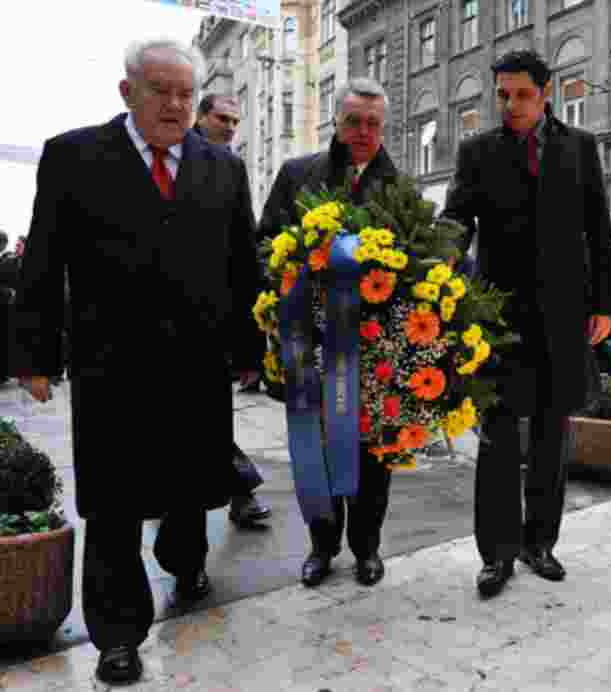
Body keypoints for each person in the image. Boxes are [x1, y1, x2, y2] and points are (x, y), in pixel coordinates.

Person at [12, 39, 264, 685]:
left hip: (197, 364)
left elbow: (242, 265)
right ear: (128, 92)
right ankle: (117, 635)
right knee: (114, 502)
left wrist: (249, 349)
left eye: (185, 92)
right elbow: (42, 262)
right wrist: (35, 355)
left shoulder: (222, 168)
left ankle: (183, 560)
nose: (175, 105)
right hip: (111, 366)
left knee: (191, 484)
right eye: (161, 90)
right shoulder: (73, 157)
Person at [442, 50, 611, 599]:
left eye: (521, 94)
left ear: (545, 94)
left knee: (549, 436)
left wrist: (605, 306)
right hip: (496, 319)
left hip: (563, 316)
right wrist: (438, 266)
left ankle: (540, 543)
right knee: (496, 438)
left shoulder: (581, 148)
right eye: (502, 94)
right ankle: (496, 555)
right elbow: (455, 219)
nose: (510, 104)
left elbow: (599, 232)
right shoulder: (477, 152)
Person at [259, 77, 398, 589]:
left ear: (383, 128)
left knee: (371, 456)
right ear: (335, 123)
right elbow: (264, 244)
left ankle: (367, 547)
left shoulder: (397, 185)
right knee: (313, 448)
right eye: (353, 121)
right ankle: (322, 545)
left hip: (375, 350)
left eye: (373, 123)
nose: (362, 132)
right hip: (309, 345)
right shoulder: (298, 175)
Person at [191, 92, 273, 529]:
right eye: (222, 118)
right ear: (201, 117)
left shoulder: (230, 169)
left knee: (212, 419)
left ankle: (239, 494)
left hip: (215, 323)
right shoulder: (170, 159)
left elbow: (245, 255)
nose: (229, 127)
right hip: (161, 326)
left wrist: (250, 346)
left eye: (235, 121)